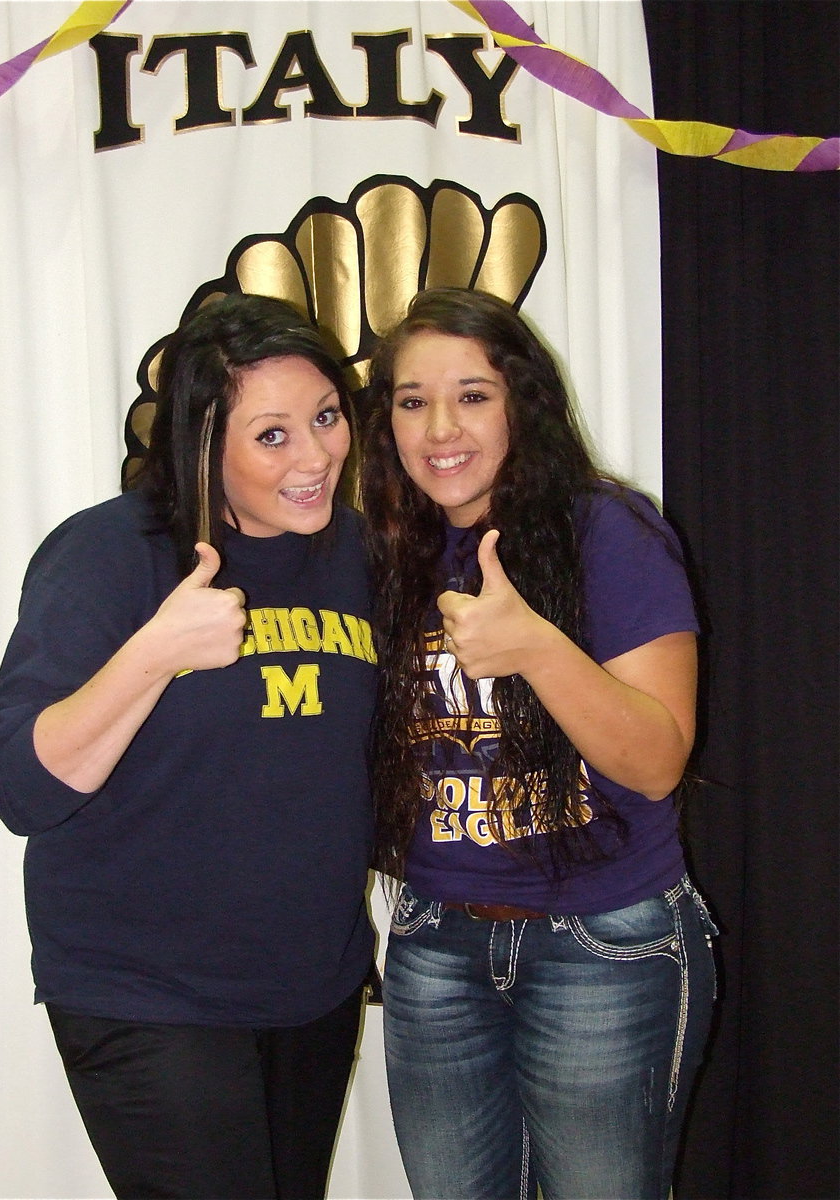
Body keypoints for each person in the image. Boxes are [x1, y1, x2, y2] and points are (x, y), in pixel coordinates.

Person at [0, 294, 377, 1200]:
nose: (315, 457)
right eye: (271, 436)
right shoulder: (110, 553)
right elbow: (20, 788)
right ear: (202, 441)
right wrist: (151, 655)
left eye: (324, 417)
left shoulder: (358, 552)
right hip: (147, 993)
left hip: (311, 985)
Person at [361, 287, 717, 1200]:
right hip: (435, 942)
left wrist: (537, 649)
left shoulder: (609, 530)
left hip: (605, 944)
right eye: (411, 400)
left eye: (473, 395)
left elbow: (655, 761)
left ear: (523, 401)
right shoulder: (386, 551)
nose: (440, 426)